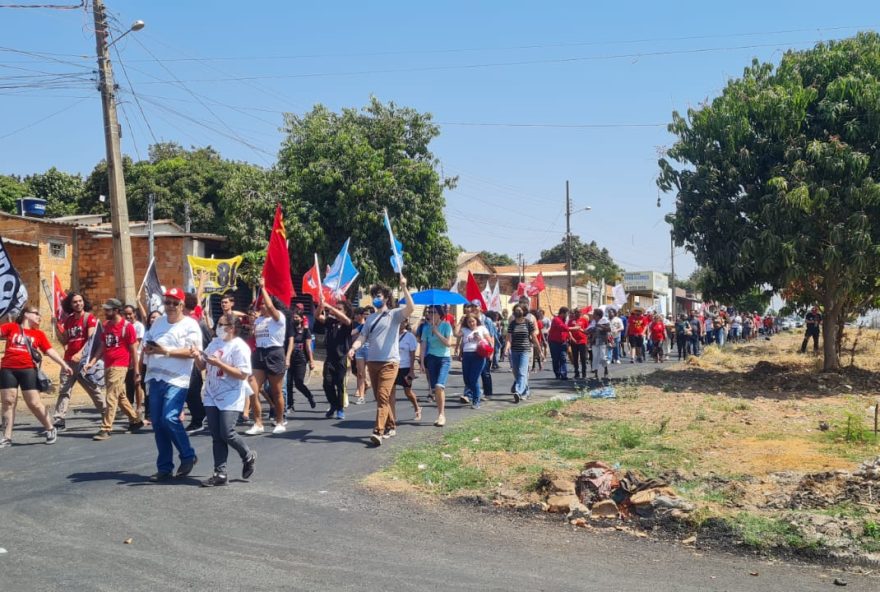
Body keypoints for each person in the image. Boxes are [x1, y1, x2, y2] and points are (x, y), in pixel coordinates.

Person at [142, 288, 202, 481]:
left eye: (175, 303)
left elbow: (192, 352)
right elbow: (147, 343)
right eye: (167, 302)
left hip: (177, 378)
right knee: (158, 424)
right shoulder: (158, 322)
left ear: (182, 305)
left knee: (169, 418)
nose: (170, 307)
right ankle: (164, 467)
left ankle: (188, 455)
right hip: (155, 376)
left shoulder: (190, 325)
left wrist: (165, 351)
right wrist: (150, 349)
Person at [347, 277, 414, 446]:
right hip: (373, 362)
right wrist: (354, 348)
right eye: (373, 295)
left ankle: (378, 430)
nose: (376, 298)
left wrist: (404, 287)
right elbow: (363, 336)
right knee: (379, 397)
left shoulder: (394, 314)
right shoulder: (370, 319)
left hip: (389, 362)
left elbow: (411, 308)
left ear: (386, 297)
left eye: (378, 295)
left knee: (384, 396)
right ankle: (391, 425)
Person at [194, 313, 257, 487]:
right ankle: (220, 473)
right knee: (216, 435)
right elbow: (203, 365)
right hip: (212, 393)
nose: (217, 327)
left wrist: (220, 364)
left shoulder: (239, 347)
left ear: (231, 328)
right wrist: (196, 356)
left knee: (227, 432)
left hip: (230, 394)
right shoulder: (215, 343)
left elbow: (243, 374)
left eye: (221, 325)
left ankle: (247, 454)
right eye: (218, 324)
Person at [1, 306, 72, 447]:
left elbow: (50, 351)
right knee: (8, 402)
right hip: (8, 369)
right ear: (26, 314)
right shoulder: (11, 327)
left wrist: (64, 364)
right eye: (36, 314)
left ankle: (50, 428)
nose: (39, 317)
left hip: (28, 369)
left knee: (33, 403)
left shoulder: (38, 334)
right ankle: (6, 437)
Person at [85, 299, 143, 440]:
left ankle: (106, 428)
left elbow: (133, 350)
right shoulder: (106, 326)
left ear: (116, 310)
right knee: (120, 395)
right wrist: (92, 362)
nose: (105, 312)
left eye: (108, 310)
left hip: (120, 365)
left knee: (111, 396)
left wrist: (136, 370)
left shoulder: (127, 327)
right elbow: (102, 346)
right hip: (108, 365)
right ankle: (135, 420)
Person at [51, 291, 105, 430]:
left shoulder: (89, 318)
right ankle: (59, 419)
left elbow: (91, 340)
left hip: (83, 362)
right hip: (68, 361)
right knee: (64, 390)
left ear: (84, 302)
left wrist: (80, 354)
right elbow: (64, 340)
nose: (78, 304)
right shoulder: (68, 320)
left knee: (93, 390)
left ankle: (107, 414)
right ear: (70, 304)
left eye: (80, 301)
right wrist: (56, 326)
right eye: (75, 302)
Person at [251, 278, 288, 434]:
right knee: (252, 390)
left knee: (276, 391)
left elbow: (272, 307)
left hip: (274, 353)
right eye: (261, 304)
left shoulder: (279, 317)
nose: (262, 305)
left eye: (264, 303)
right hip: (259, 353)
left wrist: (263, 287)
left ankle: (279, 421)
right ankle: (258, 423)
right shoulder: (258, 320)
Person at [314, 295, 353, 419]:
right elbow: (317, 316)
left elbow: (346, 320)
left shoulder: (348, 323)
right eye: (336, 308)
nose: (336, 310)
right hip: (330, 358)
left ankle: (340, 409)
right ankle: (333, 405)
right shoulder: (331, 322)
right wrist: (321, 305)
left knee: (340, 384)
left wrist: (330, 307)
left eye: (339, 309)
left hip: (342, 358)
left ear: (345, 311)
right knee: (327, 384)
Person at [421, 305, 453, 427]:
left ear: (439, 314)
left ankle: (441, 415)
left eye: (433, 312)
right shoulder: (426, 328)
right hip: (431, 359)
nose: (430, 314)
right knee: (435, 389)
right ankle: (439, 412)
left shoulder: (446, 325)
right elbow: (423, 346)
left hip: (444, 359)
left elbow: (448, 343)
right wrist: (422, 362)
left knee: (439, 386)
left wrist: (437, 332)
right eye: (429, 311)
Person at [504, 305, 538, 403]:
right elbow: (509, 338)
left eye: (519, 310)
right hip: (514, 350)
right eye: (515, 310)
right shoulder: (512, 324)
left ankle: (518, 391)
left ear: (524, 311)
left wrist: (539, 350)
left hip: (525, 350)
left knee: (523, 372)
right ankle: (526, 392)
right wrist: (506, 349)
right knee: (516, 372)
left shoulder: (528, 323)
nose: (517, 311)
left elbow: (534, 337)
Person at [285, 307, 317, 412]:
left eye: (296, 317)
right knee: (288, 382)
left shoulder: (305, 331)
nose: (294, 319)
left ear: (301, 318)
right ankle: (289, 404)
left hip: (301, 358)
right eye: (293, 317)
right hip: (290, 358)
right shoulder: (289, 330)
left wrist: (311, 361)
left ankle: (309, 396)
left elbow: (308, 347)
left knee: (298, 382)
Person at [458, 313, 492, 409]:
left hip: (478, 355)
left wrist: (481, 339)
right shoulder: (464, 330)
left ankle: (476, 401)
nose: (471, 323)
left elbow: (490, 342)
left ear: (476, 321)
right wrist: (460, 321)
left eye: (473, 321)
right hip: (467, 355)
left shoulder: (482, 328)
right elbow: (456, 334)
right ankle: (478, 392)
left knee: (473, 379)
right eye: (469, 322)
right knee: (467, 380)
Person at [393, 320, 421, 421]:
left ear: (405, 323)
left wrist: (411, 370)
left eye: (402, 322)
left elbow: (412, 354)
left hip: (405, 367)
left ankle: (417, 407)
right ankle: (392, 416)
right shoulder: (391, 334)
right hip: (393, 366)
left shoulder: (410, 336)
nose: (400, 324)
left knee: (408, 392)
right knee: (391, 393)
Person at [122, 305, 146, 417]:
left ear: (134, 314)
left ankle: (139, 406)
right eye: (126, 314)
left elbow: (137, 342)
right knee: (128, 383)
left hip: (137, 357)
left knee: (137, 382)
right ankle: (129, 405)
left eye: (130, 314)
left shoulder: (139, 326)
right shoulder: (123, 326)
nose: (128, 316)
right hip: (126, 358)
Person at [350, 307, 370, 405]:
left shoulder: (375, 325)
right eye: (365, 313)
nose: (366, 315)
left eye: (368, 314)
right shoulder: (362, 326)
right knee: (360, 374)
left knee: (376, 373)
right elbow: (352, 332)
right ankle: (362, 396)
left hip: (372, 351)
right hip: (360, 351)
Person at [586, 308, 611, 380]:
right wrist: (584, 331)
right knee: (595, 358)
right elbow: (589, 330)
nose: (593, 315)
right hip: (594, 342)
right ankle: (596, 374)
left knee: (602, 357)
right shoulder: (593, 322)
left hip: (602, 341)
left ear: (598, 315)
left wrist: (601, 326)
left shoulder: (604, 321)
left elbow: (609, 329)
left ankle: (605, 369)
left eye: (594, 314)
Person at [547, 307, 570, 379]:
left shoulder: (564, 320)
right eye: (567, 313)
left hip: (563, 342)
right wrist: (574, 328)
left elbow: (566, 331)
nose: (567, 315)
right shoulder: (556, 320)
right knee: (555, 359)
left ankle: (564, 374)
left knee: (563, 358)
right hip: (554, 342)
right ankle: (557, 373)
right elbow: (563, 328)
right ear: (563, 313)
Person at [567, 308, 588, 379]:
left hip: (582, 341)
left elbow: (587, 329)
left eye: (579, 312)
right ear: (574, 313)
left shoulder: (584, 320)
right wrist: (572, 338)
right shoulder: (571, 321)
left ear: (581, 313)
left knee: (583, 358)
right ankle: (576, 373)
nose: (578, 313)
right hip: (574, 342)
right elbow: (568, 330)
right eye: (576, 312)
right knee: (575, 358)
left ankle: (584, 373)